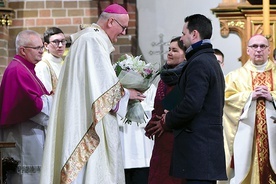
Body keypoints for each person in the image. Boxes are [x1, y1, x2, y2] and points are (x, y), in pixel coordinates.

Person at [40, 4, 146, 184]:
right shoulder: (93, 41)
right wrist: (128, 94)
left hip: (83, 118)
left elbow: (96, 84)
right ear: (111, 21)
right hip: (86, 124)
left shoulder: (89, 39)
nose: (123, 33)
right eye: (123, 27)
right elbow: (103, 90)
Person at [161, 14, 227, 183]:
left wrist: (169, 119)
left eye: (184, 33)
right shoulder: (207, 59)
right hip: (203, 151)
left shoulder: (200, 62)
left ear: (194, 34)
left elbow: (192, 104)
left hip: (199, 149)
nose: (182, 38)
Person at [0, 30, 53, 184]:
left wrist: (49, 98)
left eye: (41, 47)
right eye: (37, 48)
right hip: (24, 136)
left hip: (30, 133)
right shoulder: (18, 70)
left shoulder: (26, 68)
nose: (41, 51)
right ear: (23, 50)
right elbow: (31, 105)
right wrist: (53, 100)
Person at [222, 34, 276, 184]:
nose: (258, 50)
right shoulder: (235, 77)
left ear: (268, 50)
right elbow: (226, 99)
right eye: (254, 46)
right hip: (247, 136)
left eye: (262, 46)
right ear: (248, 50)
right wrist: (248, 96)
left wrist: (272, 97)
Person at [145, 36, 187, 184]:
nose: (169, 53)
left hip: (176, 141)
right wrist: (152, 122)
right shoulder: (164, 77)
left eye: (175, 50)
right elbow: (159, 106)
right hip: (161, 141)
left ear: (185, 54)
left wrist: (163, 122)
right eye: (169, 49)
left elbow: (181, 109)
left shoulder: (186, 78)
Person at [119, 84, 156, 184]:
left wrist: (137, 102)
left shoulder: (149, 87)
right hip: (122, 144)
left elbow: (155, 110)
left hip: (143, 150)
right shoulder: (115, 85)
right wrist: (125, 95)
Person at [35, 27, 66, 93]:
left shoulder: (64, 64)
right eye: (55, 42)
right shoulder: (43, 65)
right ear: (46, 45)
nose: (60, 45)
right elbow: (45, 96)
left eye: (63, 41)